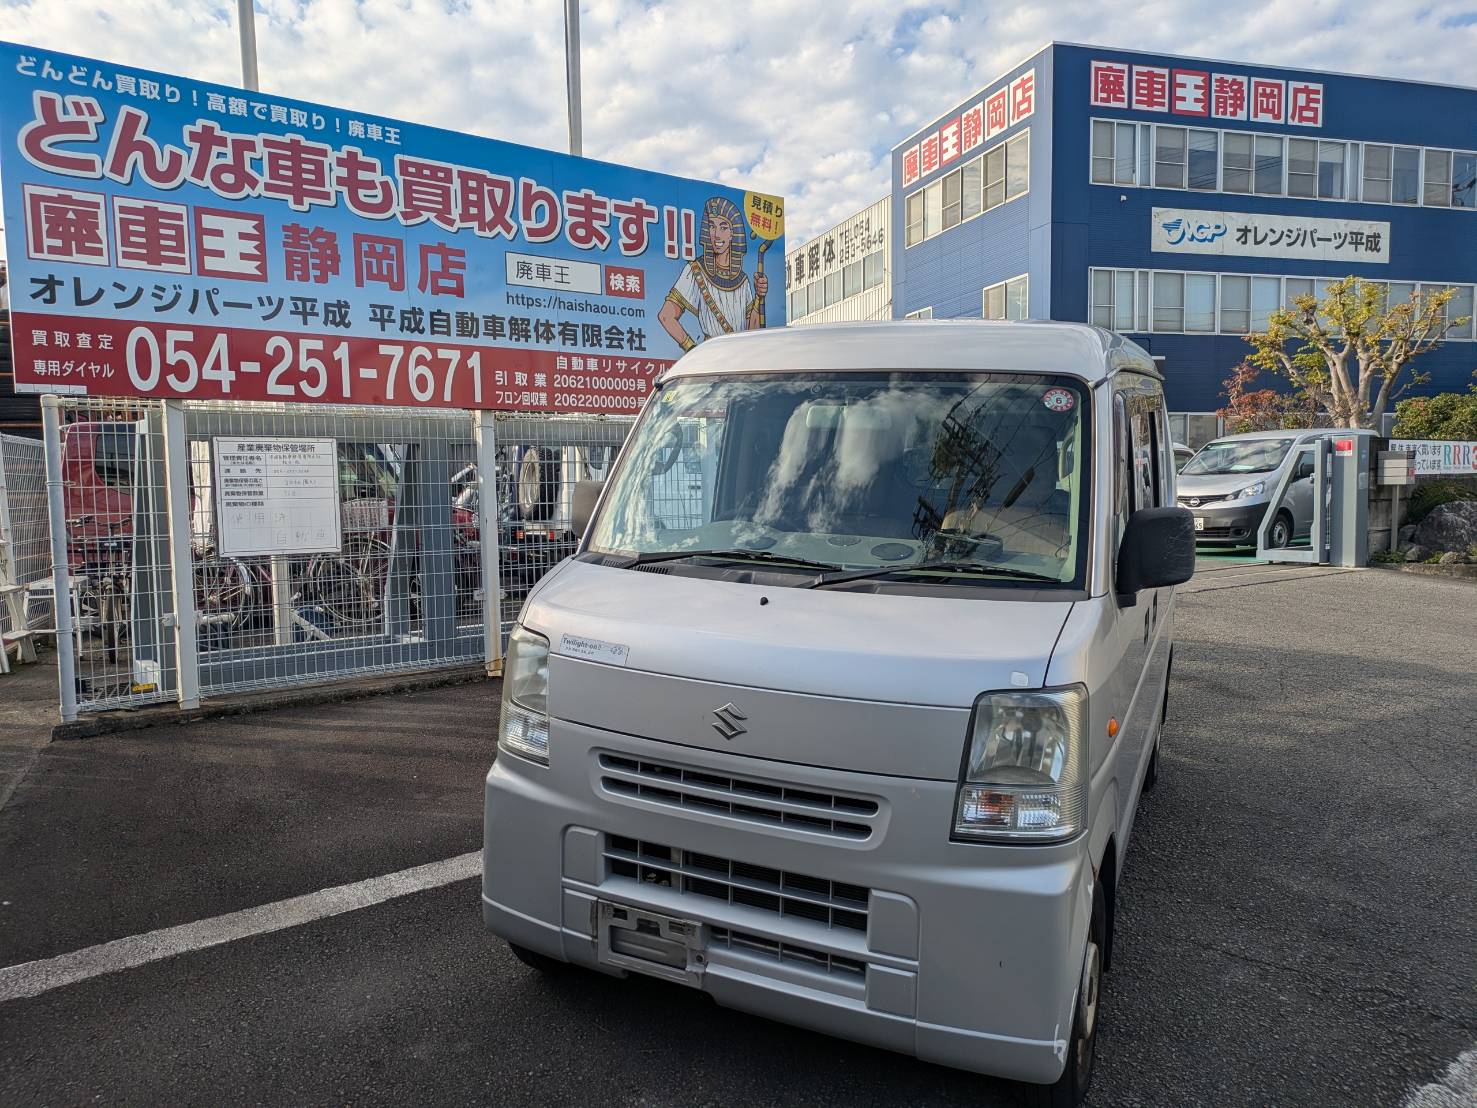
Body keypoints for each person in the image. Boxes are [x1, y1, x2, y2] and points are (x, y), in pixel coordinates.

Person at [659, 196, 768, 351]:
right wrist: (691, 349)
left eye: (723, 227)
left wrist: (759, 297)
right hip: (712, 358)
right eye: (712, 226)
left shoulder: (742, 280)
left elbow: (752, 332)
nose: (716, 234)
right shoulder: (695, 270)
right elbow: (666, 315)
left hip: (741, 361)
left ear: (733, 233)